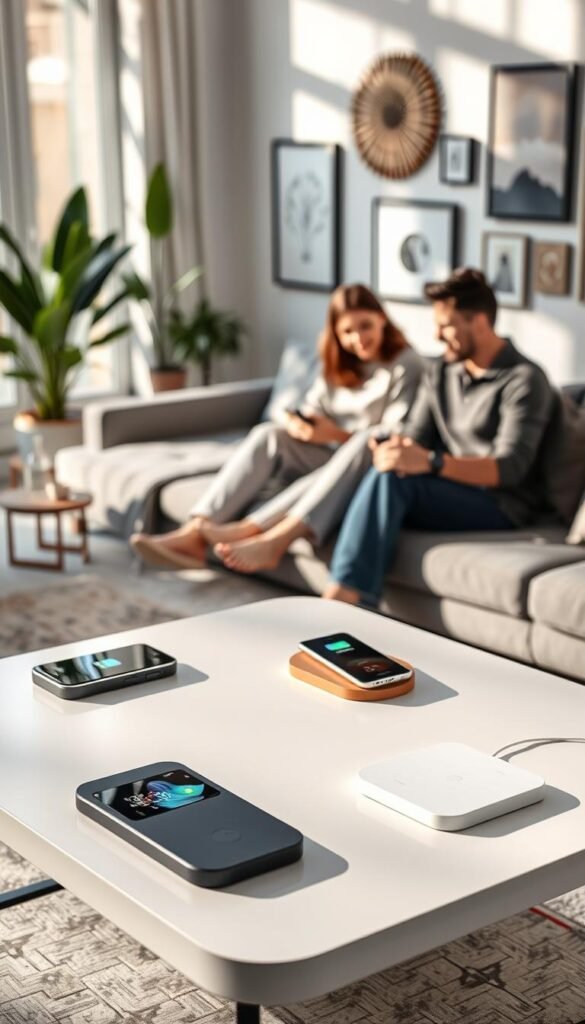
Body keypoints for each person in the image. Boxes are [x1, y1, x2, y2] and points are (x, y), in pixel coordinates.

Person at [131, 283, 423, 571]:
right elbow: (313, 408)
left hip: (364, 465)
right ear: (335, 333)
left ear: (382, 319)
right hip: (323, 452)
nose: (358, 338)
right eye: (347, 331)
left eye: (365, 326)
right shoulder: (337, 364)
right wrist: (300, 424)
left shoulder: (407, 365)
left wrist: (334, 435)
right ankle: (195, 530)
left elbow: (391, 441)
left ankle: (254, 531)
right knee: (268, 434)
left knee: (355, 447)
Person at [323, 268, 555, 606]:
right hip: (449, 489)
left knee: (392, 481)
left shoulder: (524, 379)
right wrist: (397, 448)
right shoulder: (442, 370)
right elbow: (416, 435)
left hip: (500, 504)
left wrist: (431, 461)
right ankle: (348, 592)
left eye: (445, 325)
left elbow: (509, 469)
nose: (436, 335)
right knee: (387, 466)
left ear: (478, 322)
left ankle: (346, 595)